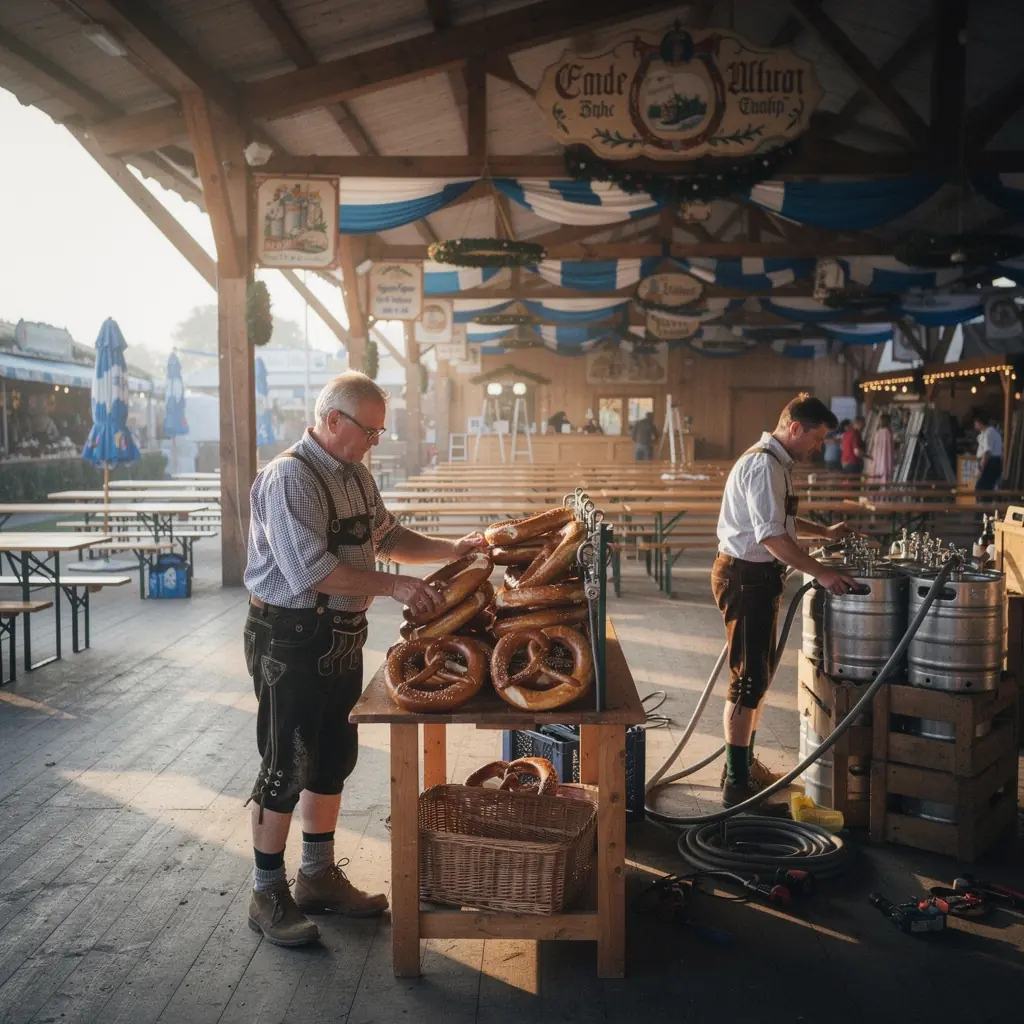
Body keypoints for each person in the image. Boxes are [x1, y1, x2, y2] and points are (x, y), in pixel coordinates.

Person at [243, 371, 488, 947]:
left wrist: (453, 548)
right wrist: (397, 588)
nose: (374, 443)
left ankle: (316, 876)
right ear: (333, 421)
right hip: (290, 637)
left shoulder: (353, 473)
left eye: (379, 433)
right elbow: (312, 572)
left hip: (341, 635)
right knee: (286, 764)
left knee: (332, 759)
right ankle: (266, 892)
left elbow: (388, 535)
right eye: (370, 432)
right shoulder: (288, 478)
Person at [713, 394, 858, 809]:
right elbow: (772, 538)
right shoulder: (762, 465)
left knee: (756, 677)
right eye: (817, 437)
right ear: (795, 428)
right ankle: (735, 785)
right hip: (746, 577)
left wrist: (825, 533)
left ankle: (741, 766)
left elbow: (783, 522)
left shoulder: (777, 464)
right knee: (746, 683)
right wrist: (823, 572)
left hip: (757, 578)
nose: (819, 447)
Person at [974, 410, 1003, 494]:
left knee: (981, 490)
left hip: (990, 463)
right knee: (985, 489)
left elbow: (987, 452)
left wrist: (980, 468)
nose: (975, 425)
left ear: (980, 422)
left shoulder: (989, 433)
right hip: (992, 462)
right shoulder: (986, 432)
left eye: (976, 422)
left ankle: (984, 506)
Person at [866, 413, 894, 483]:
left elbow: (875, 446)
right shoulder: (888, 432)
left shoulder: (878, 432)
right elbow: (891, 446)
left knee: (877, 474)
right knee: (884, 473)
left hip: (877, 457)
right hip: (886, 457)